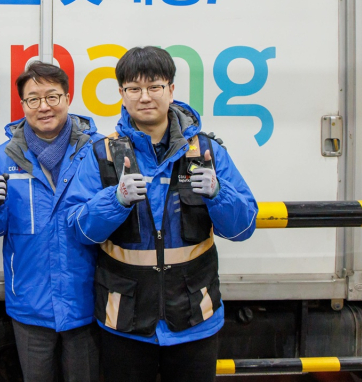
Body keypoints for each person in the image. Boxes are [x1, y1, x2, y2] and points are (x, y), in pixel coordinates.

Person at [65, 46, 258, 382]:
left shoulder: (207, 151)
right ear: (122, 94)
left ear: (171, 90)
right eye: (134, 88)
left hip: (194, 320)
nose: (144, 97)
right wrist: (115, 201)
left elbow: (243, 229)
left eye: (154, 86)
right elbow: (78, 230)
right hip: (124, 321)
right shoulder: (103, 154)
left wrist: (219, 194)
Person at [0, 62, 104, 382]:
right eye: (33, 99)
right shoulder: (3, 157)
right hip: (29, 302)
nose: (44, 106)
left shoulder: (97, 151)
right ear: (23, 104)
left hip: (85, 299)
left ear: (68, 98)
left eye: (52, 96)